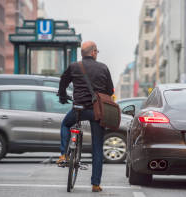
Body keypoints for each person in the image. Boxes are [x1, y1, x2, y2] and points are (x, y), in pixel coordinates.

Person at [57, 41, 114, 192]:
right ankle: (95, 184)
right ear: (94, 52)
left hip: (78, 109)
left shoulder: (74, 66)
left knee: (65, 124)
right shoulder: (103, 67)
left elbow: (63, 82)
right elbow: (109, 90)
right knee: (97, 147)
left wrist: (62, 97)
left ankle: (63, 154)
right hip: (96, 112)